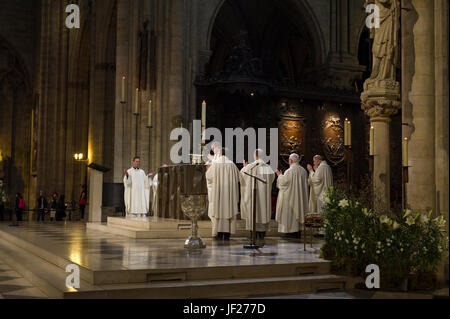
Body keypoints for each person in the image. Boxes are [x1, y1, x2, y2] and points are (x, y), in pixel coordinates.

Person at [240, 149, 275, 242]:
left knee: (253, 211)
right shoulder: (268, 168)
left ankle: (253, 234)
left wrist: (244, 167)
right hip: (263, 197)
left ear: (255, 156)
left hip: (252, 196)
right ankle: (262, 234)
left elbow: (241, 177)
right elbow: (272, 179)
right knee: (262, 211)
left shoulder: (249, 167)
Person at [206, 148, 240, 241]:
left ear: (220, 153)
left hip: (219, 194)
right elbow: (238, 178)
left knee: (218, 211)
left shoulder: (215, 164)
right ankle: (227, 234)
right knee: (228, 211)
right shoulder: (232, 165)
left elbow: (208, 177)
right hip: (229, 195)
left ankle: (219, 233)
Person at [275, 154, 309, 237]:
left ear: (290, 161)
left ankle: (289, 232)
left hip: (290, 199)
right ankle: (298, 232)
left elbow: (283, 183)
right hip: (300, 199)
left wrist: (279, 176)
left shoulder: (289, 171)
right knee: (298, 212)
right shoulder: (303, 171)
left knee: (290, 214)